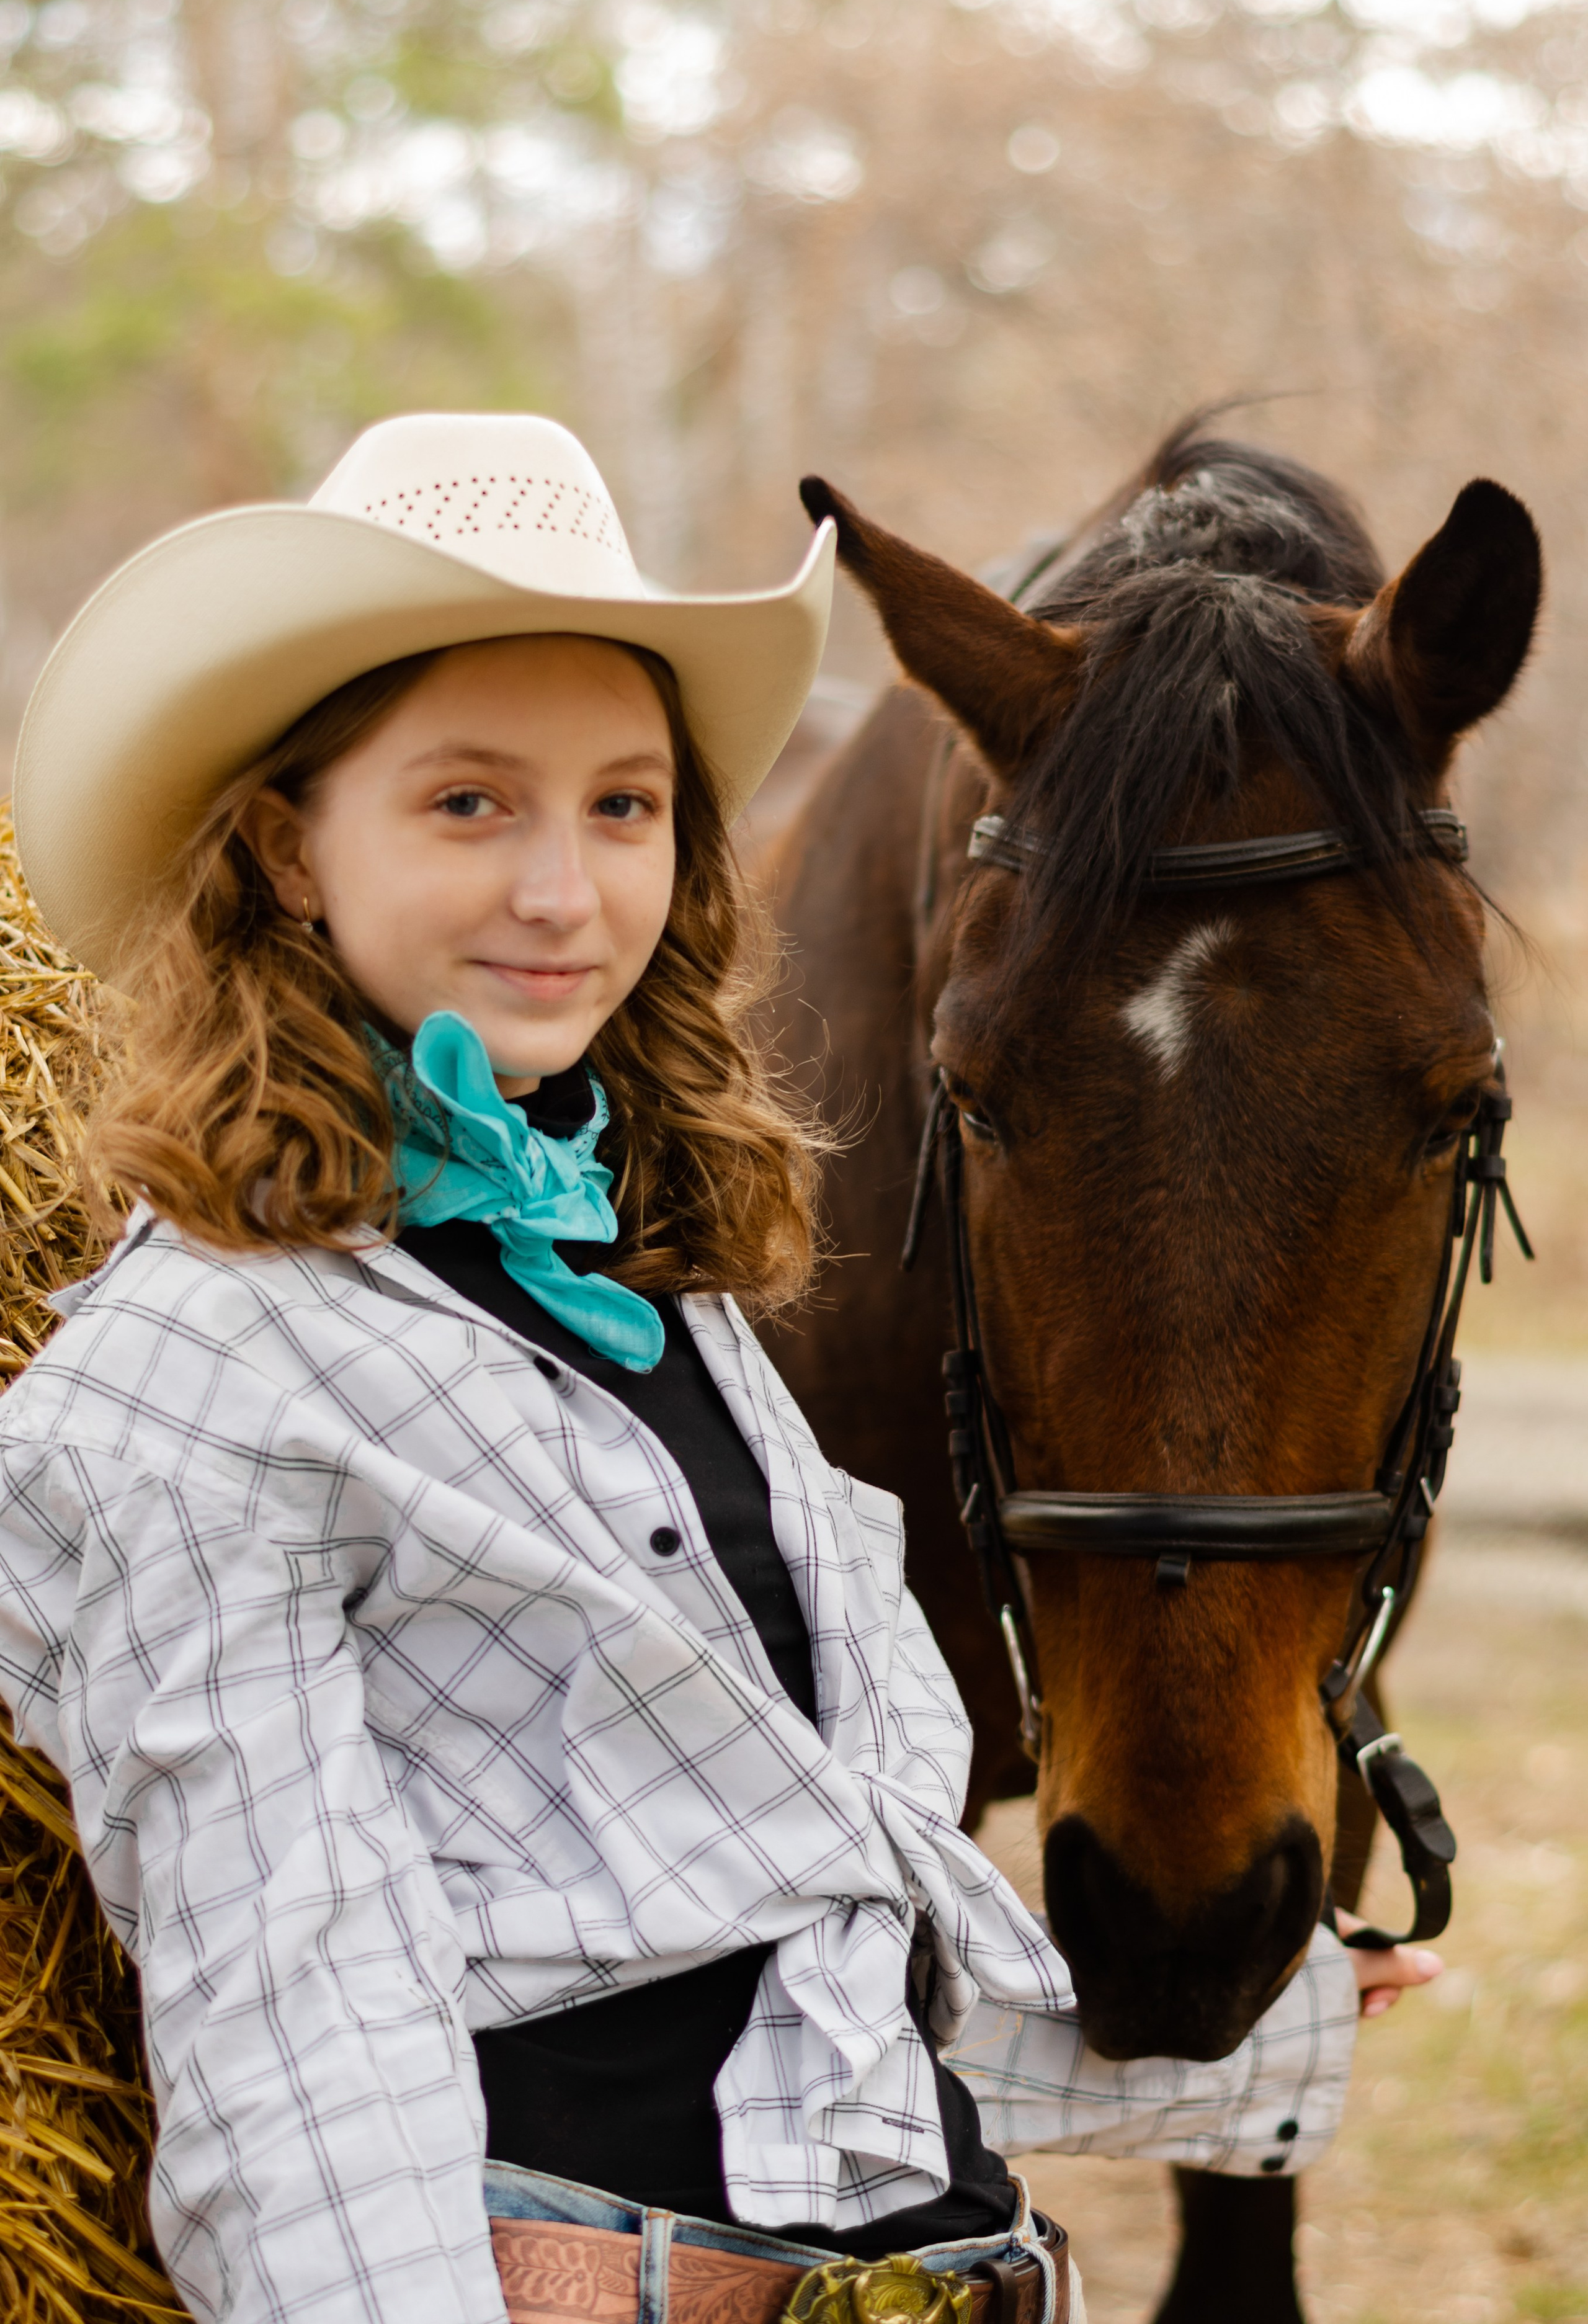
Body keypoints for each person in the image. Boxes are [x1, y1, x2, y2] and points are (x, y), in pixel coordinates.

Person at [0, 414, 1435, 2324]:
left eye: (620, 804)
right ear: (283, 839)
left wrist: (1238, 2017)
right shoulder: (194, 1381)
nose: (563, 892)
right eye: (465, 803)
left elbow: (758, 1963)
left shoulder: (667, 1286)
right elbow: (294, 2061)